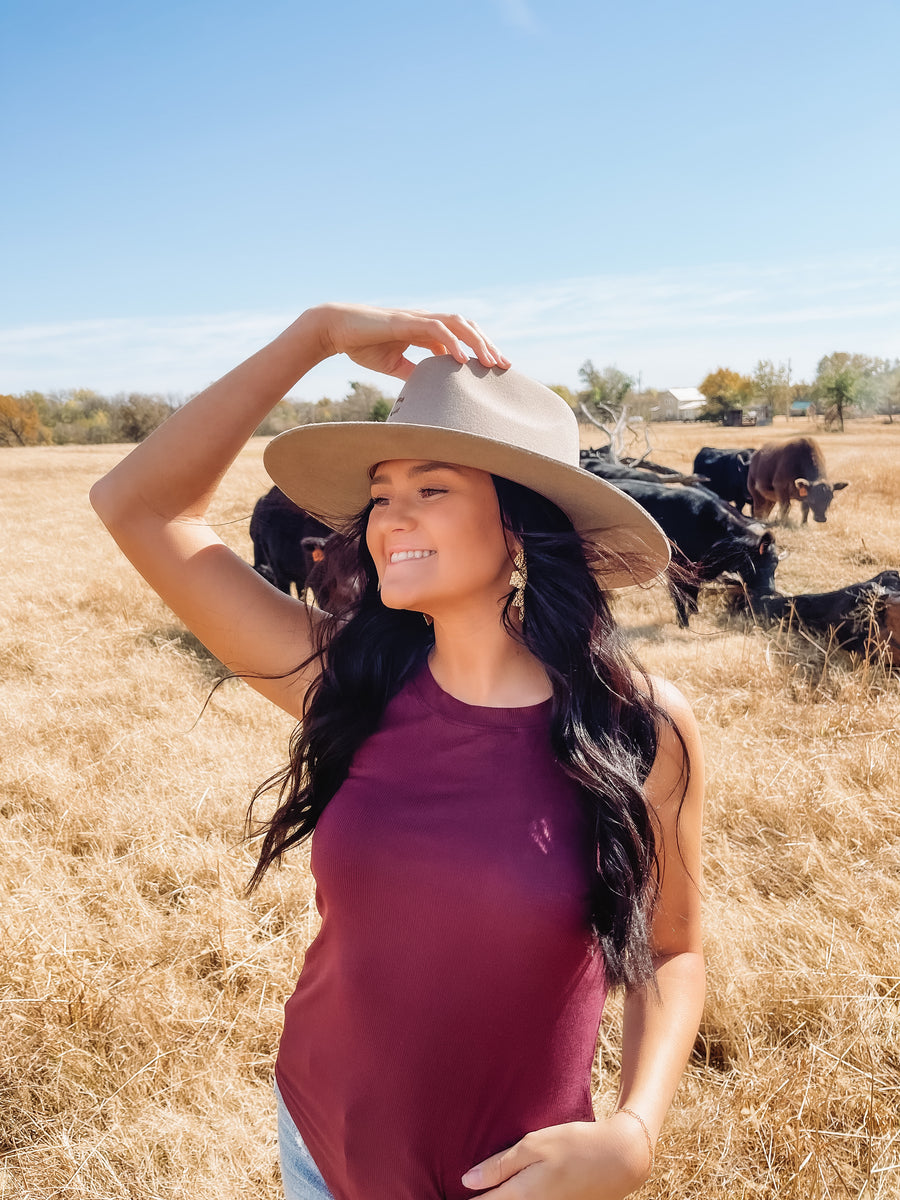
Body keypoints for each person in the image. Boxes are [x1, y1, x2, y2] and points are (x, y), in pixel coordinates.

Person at [90, 303, 705, 1200]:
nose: (389, 520)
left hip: (512, 1184)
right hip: (319, 1147)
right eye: (382, 494)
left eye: (432, 489)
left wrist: (635, 1132)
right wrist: (316, 334)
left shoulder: (637, 725)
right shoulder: (349, 681)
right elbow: (137, 506)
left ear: (520, 526)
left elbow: (674, 946)